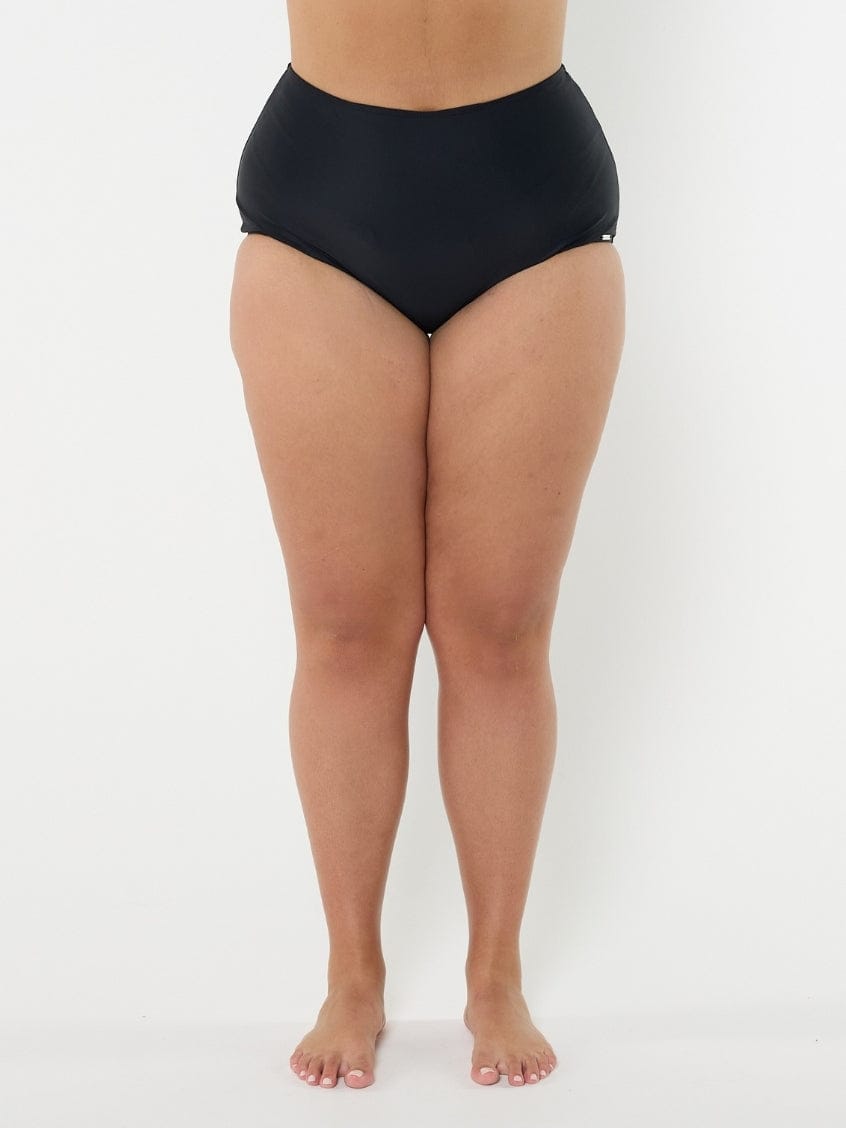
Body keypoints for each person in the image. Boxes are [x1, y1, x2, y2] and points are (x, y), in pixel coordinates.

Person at [229, 0, 625, 1091]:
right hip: (323, 196)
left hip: (532, 192)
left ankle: (495, 975)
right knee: (346, 626)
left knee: (501, 626)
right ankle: (351, 974)